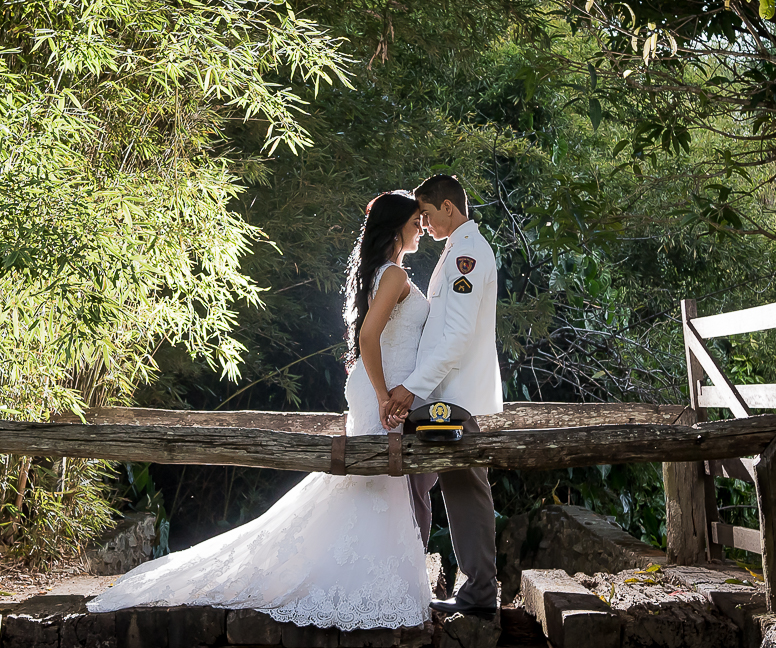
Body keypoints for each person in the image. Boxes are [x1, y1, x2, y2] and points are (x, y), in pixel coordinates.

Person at [87, 191, 432, 631]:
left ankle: (368, 577)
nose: (421, 228)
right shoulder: (394, 276)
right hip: (379, 395)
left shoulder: (385, 274)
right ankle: (352, 581)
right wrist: (385, 397)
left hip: (379, 390)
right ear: (397, 225)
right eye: (416, 221)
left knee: (374, 485)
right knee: (369, 484)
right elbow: (368, 339)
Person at [382, 174, 502, 617]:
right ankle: (437, 583)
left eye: (428, 215)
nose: (425, 224)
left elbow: (455, 336)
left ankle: (478, 595)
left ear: (448, 208)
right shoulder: (456, 251)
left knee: (465, 484)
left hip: (450, 395)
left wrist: (410, 388)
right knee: (443, 481)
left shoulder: (467, 253)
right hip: (439, 392)